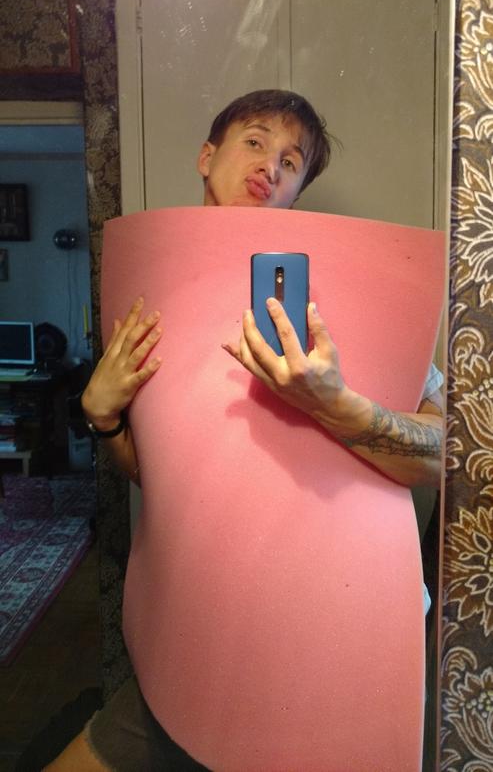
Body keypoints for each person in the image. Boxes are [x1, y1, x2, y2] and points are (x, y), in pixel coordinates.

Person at [47, 89, 443, 771]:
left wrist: (334, 405)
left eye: (291, 161)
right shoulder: (152, 290)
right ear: (208, 156)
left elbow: (445, 456)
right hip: (202, 627)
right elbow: (159, 473)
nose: (270, 166)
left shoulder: (344, 296)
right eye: (255, 142)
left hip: (346, 631)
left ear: (297, 191)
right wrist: (103, 417)